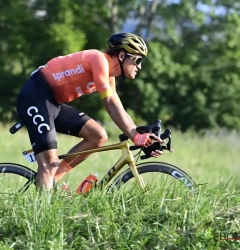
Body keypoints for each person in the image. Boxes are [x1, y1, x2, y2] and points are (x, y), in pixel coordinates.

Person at [16, 32, 164, 190]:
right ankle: (41, 212)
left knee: (98, 135)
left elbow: (116, 104)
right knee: (49, 164)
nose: (139, 66)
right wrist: (135, 136)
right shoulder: (98, 59)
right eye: (137, 60)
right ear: (122, 55)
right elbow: (109, 102)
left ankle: (53, 182)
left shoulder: (108, 75)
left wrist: (138, 134)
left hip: (52, 103)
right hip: (35, 97)